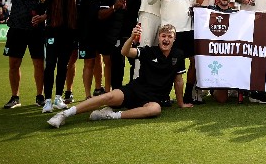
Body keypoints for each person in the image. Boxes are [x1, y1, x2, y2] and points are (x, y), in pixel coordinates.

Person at [47, 24, 193, 128]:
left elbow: (178, 81)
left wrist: (181, 103)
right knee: (107, 97)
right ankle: (64, 115)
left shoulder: (178, 55)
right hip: (135, 90)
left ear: (174, 39)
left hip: (154, 98)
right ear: (159, 38)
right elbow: (125, 52)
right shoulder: (149, 51)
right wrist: (131, 38)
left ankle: (110, 115)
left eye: (170, 37)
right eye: (163, 36)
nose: (166, 39)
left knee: (155, 110)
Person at [149, 0, 198, 104]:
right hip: (171, 33)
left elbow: (195, 6)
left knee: (194, 62)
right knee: (169, 67)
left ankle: (189, 93)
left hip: (188, 31)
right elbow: (150, 0)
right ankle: (164, 96)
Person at [40, 0, 78, 113]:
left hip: (68, 34)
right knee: (50, 66)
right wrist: (41, 0)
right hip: (52, 33)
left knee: (63, 66)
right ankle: (47, 100)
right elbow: (46, 10)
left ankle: (58, 98)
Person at [98, 0, 141, 90]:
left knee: (136, 63)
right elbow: (100, 15)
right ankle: (116, 95)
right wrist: (114, 8)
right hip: (115, 34)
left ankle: (134, 90)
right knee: (117, 67)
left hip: (132, 33)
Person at [205, 0, 239, 103]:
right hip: (215, 53)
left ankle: (237, 87)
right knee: (222, 99)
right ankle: (213, 88)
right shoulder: (210, 10)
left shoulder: (236, 13)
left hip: (231, 53)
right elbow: (200, 12)